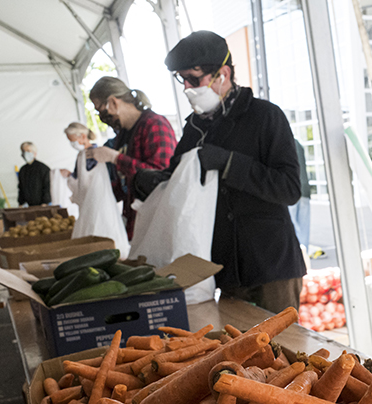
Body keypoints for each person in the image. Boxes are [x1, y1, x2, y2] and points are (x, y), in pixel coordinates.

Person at [136, 30, 305, 313]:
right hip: (224, 269)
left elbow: (289, 188)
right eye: (182, 79)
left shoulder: (265, 117)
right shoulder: (194, 128)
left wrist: (229, 163)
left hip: (271, 266)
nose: (187, 87)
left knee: (281, 351)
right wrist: (156, 182)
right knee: (237, 350)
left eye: (193, 78)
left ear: (223, 73)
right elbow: (180, 182)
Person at [87, 77, 176, 238]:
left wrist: (115, 158)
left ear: (113, 103)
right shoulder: (124, 135)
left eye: (100, 109)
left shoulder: (154, 125)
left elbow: (161, 177)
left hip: (156, 224)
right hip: (134, 222)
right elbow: (124, 183)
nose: (101, 116)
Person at [288, 138, 313, 255]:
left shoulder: (284, 142)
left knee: (293, 225)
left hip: (293, 190)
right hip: (305, 190)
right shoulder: (299, 144)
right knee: (304, 227)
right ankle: (305, 255)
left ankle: (298, 254)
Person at [17, 141, 51, 207]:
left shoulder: (43, 168)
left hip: (42, 204)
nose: (25, 153)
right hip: (28, 205)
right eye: (23, 151)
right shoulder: (22, 170)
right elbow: (21, 188)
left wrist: (45, 202)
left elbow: (47, 186)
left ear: (34, 153)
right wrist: (21, 203)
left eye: (28, 151)